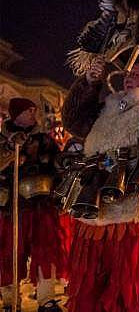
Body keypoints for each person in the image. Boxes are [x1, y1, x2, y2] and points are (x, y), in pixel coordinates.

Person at [62, 58, 139, 312]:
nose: (129, 76)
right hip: (93, 205)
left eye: (138, 72)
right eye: (129, 71)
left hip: (132, 209)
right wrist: (89, 83)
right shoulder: (108, 104)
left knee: (128, 284)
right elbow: (74, 121)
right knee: (90, 282)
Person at [0, 98, 71, 311]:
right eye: (28, 110)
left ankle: (45, 298)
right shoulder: (2, 138)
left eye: (34, 110)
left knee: (46, 251)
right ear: (17, 114)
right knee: (8, 252)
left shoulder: (44, 139)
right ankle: (11, 298)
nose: (33, 113)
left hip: (41, 205)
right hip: (11, 207)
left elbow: (57, 164)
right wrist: (10, 151)